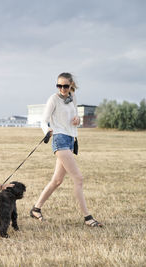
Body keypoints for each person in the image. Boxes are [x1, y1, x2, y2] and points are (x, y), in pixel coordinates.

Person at [30, 72, 103, 227]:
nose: (62, 89)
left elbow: (75, 117)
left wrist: (77, 119)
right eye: (59, 85)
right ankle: (88, 218)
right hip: (59, 139)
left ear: (71, 85)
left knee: (57, 180)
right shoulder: (53, 99)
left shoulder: (73, 98)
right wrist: (47, 131)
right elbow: (43, 121)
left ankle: (36, 209)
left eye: (65, 86)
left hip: (70, 139)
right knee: (78, 178)